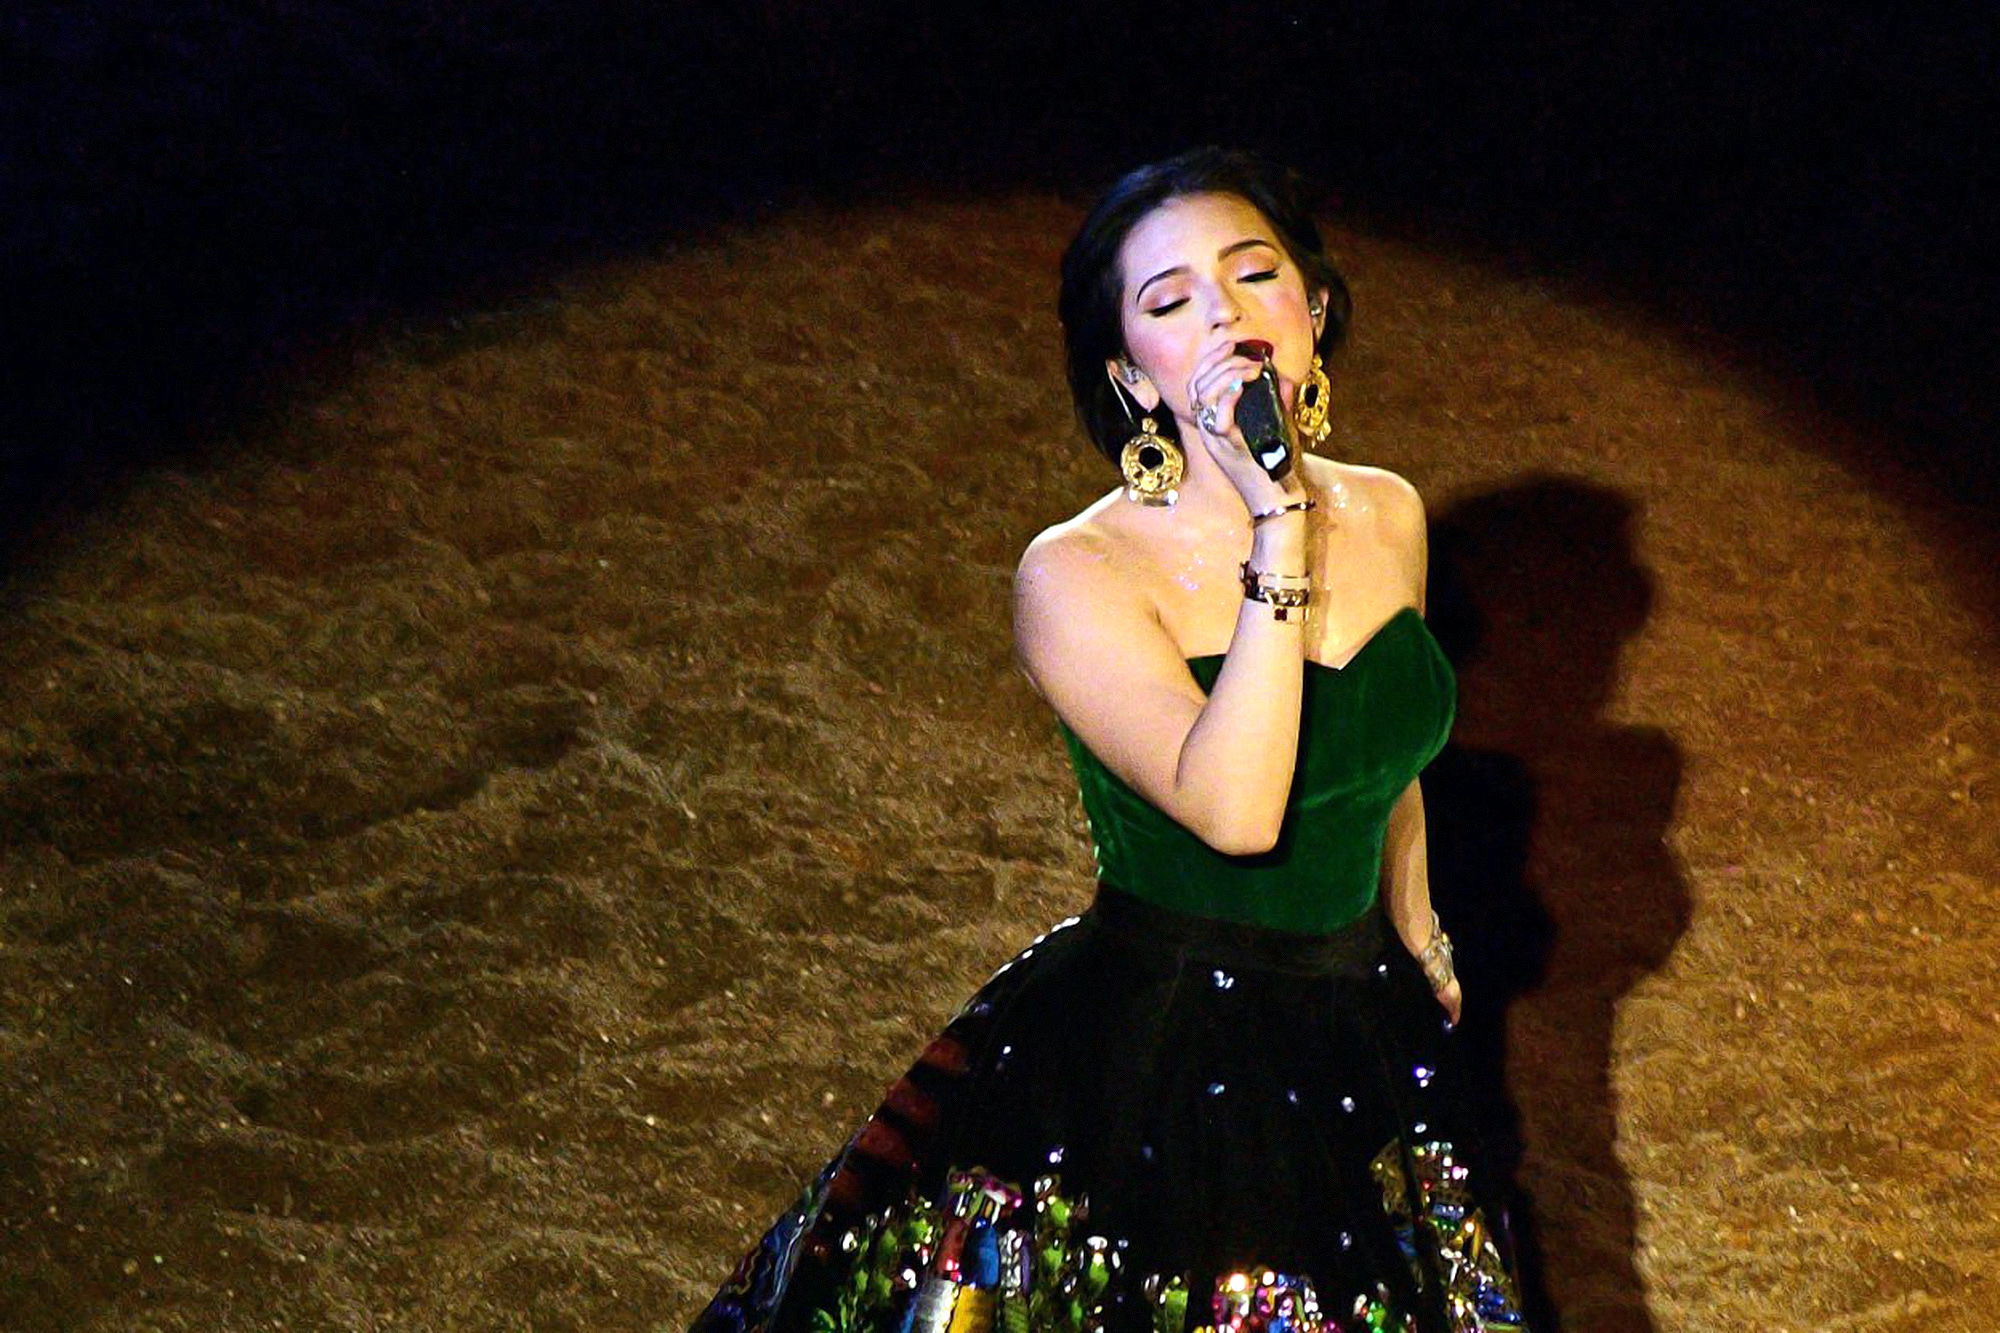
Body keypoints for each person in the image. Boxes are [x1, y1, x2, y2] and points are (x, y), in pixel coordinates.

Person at [687, 147, 1530, 1333]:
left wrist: (1417, 917)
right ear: (1131, 375)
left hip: (1358, 1021)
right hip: (1163, 1052)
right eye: (1170, 300)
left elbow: (1383, 759)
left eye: (1253, 275)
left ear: (1314, 307)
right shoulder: (1076, 573)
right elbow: (1234, 811)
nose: (1225, 315)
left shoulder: (1386, 512)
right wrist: (1276, 525)